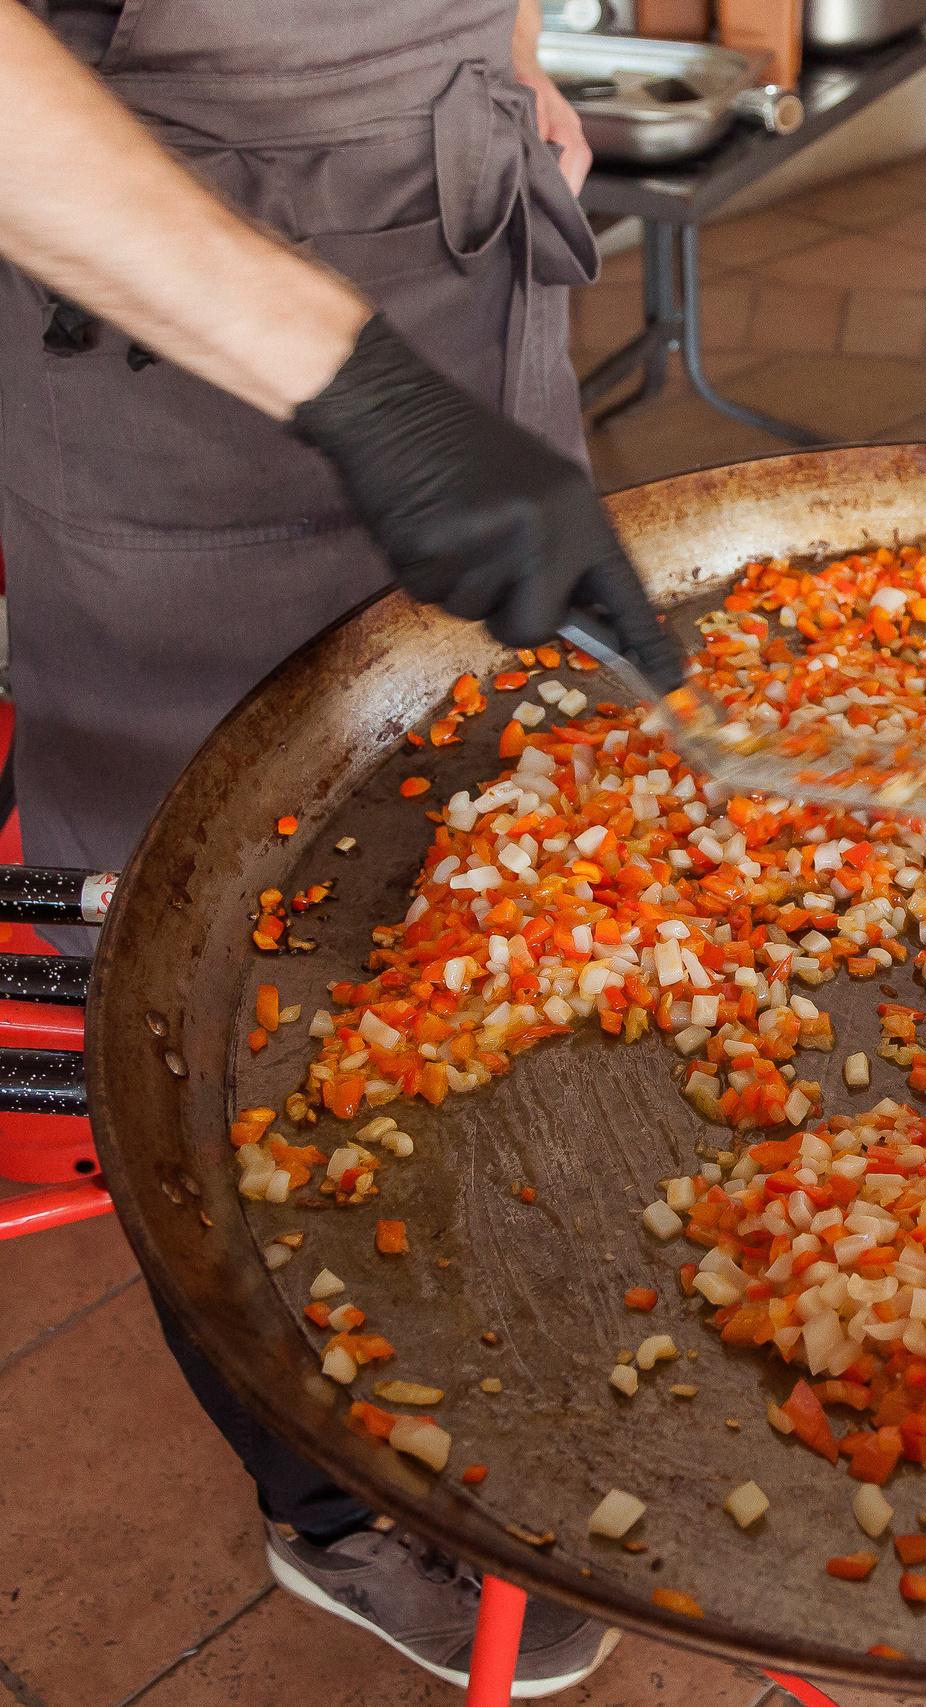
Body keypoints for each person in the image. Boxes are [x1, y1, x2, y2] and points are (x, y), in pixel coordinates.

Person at [0, 1, 683, 1694]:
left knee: (507, 865)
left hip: (451, 210)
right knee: (205, 974)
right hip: (160, 289)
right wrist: (354, 379)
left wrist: (506, 47)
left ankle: (521, 1318)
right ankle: (333, 1507)